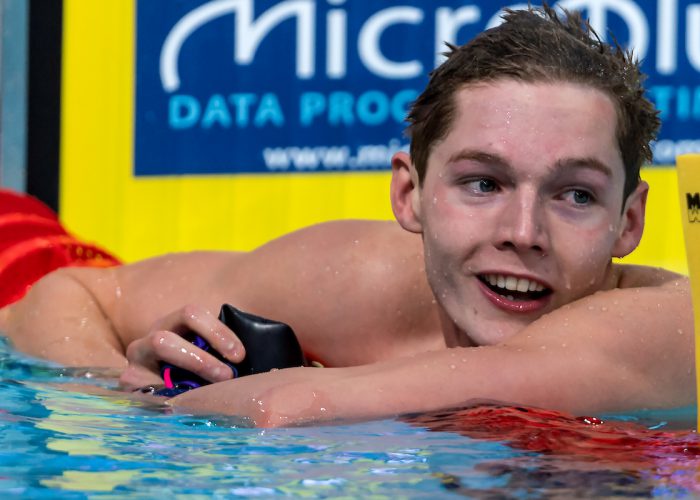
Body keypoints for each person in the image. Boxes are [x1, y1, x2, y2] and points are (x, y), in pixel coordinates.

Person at [0, 4, 694, 427]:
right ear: (409, 195)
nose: (522, 232)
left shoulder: (669, 327)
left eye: (574, 195)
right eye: (483, 183)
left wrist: (169, 414)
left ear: (629, 221)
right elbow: (67, 294)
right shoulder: (359, 282)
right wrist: (118, 387)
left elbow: (288, 408)